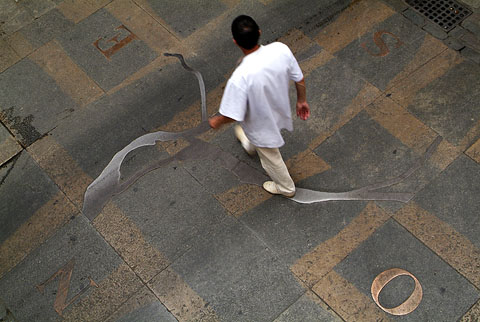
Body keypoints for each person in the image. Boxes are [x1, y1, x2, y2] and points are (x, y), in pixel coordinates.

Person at [208, 15, 310, 197]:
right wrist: (301, 100)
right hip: (278, 107)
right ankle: (249, 143)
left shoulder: (240, 78)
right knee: (260, 141)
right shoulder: (281, 49)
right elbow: (299, 78)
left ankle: (286, 187)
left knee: (271, 157)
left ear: (235, 42)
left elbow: (233, 114)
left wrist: (217, 121)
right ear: (260, 32)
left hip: (260, 124)